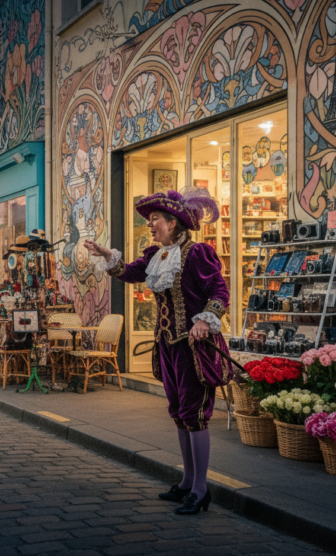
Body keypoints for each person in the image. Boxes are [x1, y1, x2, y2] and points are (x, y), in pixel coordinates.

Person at [84, 187, 230, 516]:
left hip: (194, 346)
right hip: (167, 344)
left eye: (155, 220)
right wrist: (105, 254)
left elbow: (219, 290)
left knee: (195, 415)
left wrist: (205, 320)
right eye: (149, 220)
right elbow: (128, 272)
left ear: (173, 222)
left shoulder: (198, 253)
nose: (150, 225)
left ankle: (201, 489)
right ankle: (187, 481)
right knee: (178, 412)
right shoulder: (156, 255)